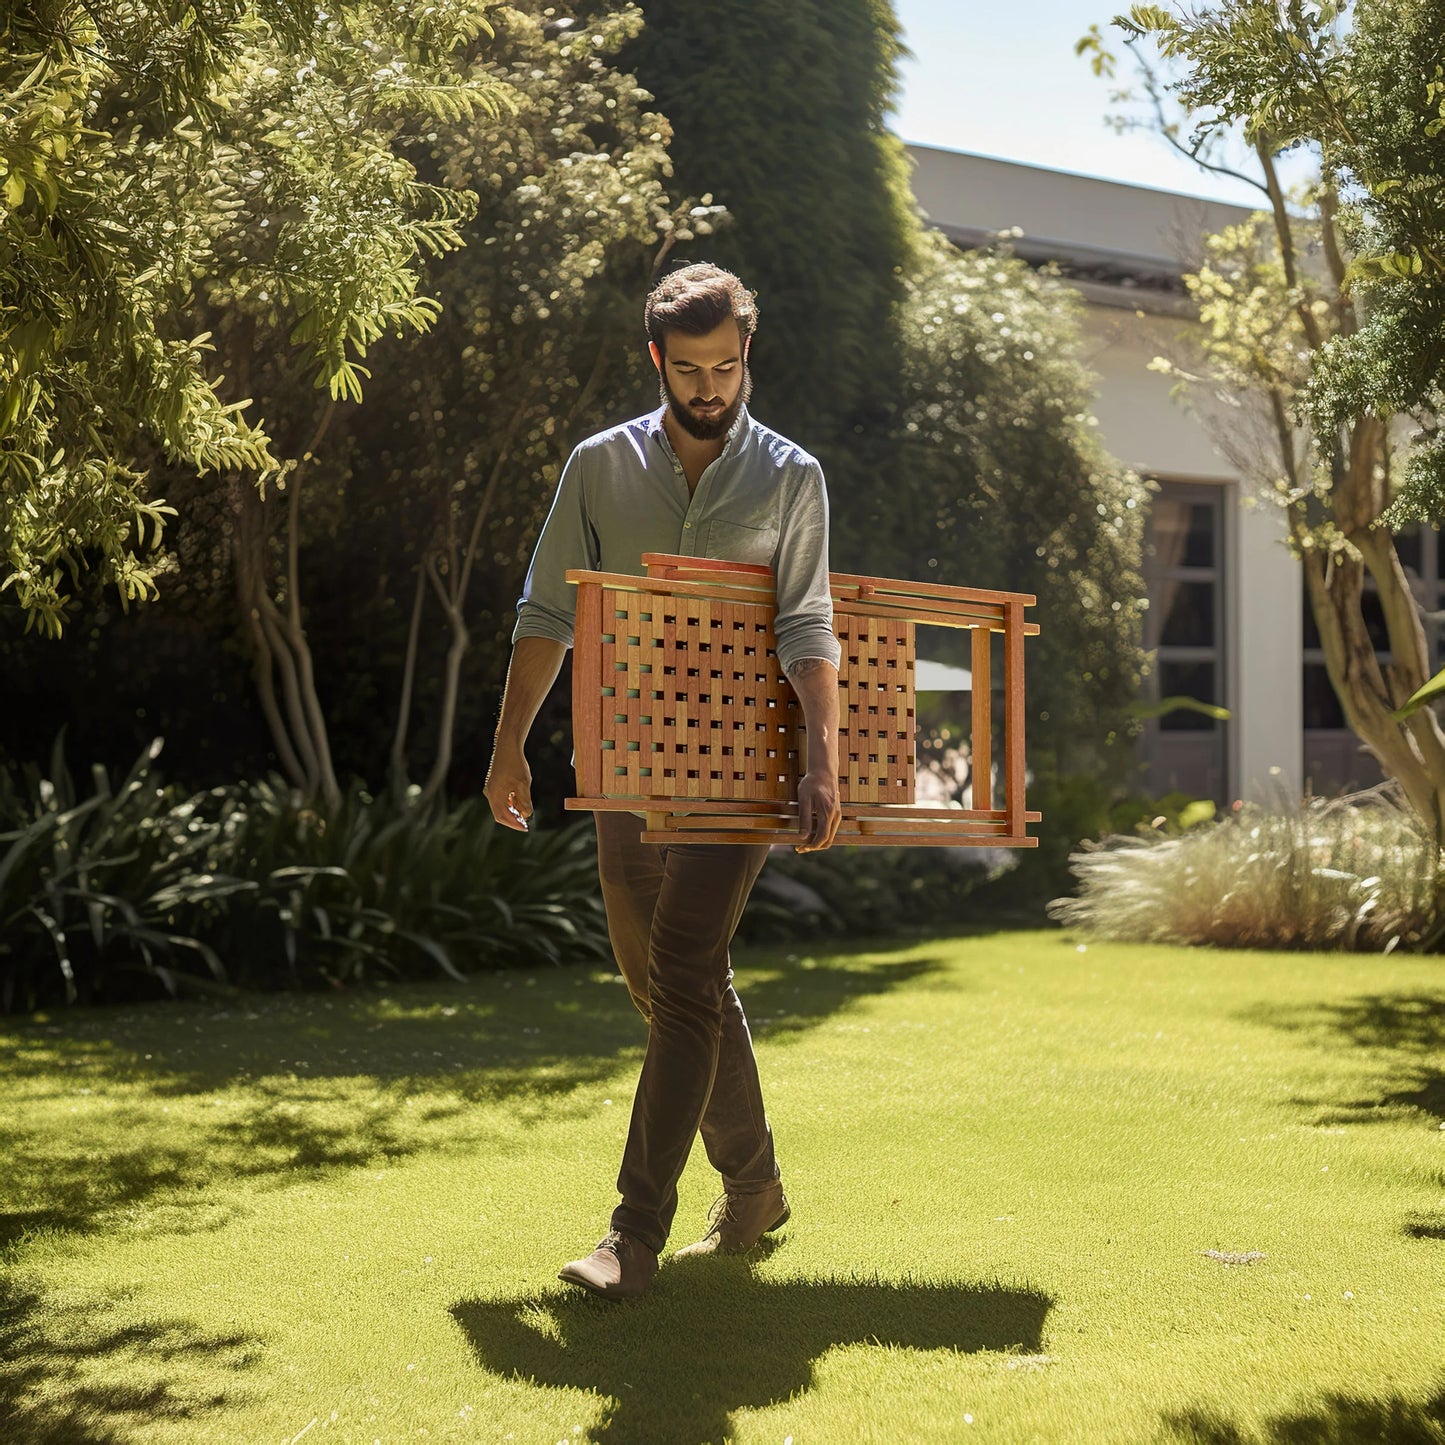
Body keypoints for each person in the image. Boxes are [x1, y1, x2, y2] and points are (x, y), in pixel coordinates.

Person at [483, 262, 843, 1301]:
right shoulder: (597, 467)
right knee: (666, 982)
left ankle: (631, 1232)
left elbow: (807, 622)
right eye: (688, 369)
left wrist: (821, 755)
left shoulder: (791, 476)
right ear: (656, 359)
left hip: (741, 762)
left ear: (746, 354)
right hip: (626, 759)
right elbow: (546, 611)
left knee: (683, 968)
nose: (708, 388)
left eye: (725, 367)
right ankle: (758, 1184)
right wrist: (510, 745)